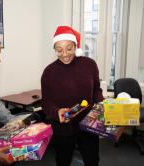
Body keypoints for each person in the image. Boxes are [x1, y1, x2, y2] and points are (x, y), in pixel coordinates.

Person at [41, 26, 104, 166]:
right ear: (55, 50)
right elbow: (46, 102)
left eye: (69, 48)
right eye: (59, 50)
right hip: (63, 127)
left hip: (89, 123)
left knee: (92, 160)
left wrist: (103, 105)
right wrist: (56, 112)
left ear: (76, 46)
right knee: (63, 161)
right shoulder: (49, 72)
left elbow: (96, 91)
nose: (64, 54)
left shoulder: (89, 65)